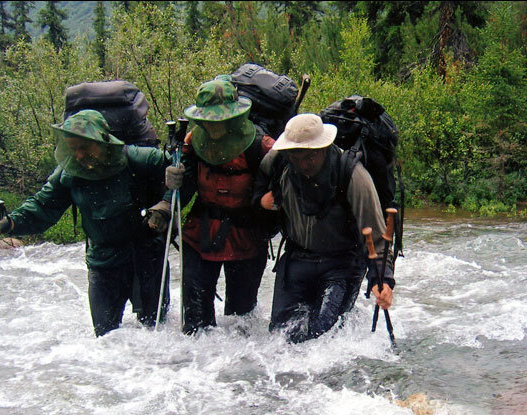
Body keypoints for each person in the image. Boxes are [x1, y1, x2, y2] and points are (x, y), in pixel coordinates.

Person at [0, 109, 173, 337]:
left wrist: (165, 204)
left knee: (157, 331)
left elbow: (182, 178)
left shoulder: (141, 160)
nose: (79, 155)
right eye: (73, 149)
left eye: (84, 147)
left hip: (146, 257)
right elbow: (43, 206)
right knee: (104, 338)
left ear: (103, 142)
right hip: (103, 260)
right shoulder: (68, 174)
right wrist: (10, 223)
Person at [144, 77, 276, 335]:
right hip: (201, 233)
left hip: (246, 235)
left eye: (220, 120)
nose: (213, 127)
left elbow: (282, 180)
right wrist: (169, 195)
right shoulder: (194, 140)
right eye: (209, 120)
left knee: (240, 321)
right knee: (194, 321)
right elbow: (187, 183)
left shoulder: (260, 145)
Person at [251, 113, 395, 343]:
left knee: (322, 339)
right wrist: (261, 200)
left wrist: (383, 280)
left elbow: (377, 237)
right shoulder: (278, 161)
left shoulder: (353, 176)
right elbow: (257, 187)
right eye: (296, 158)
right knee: (280, 339)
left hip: (342, 263)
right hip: (297, 259)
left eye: (310, 157)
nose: (302, 164)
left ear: (324, 148)